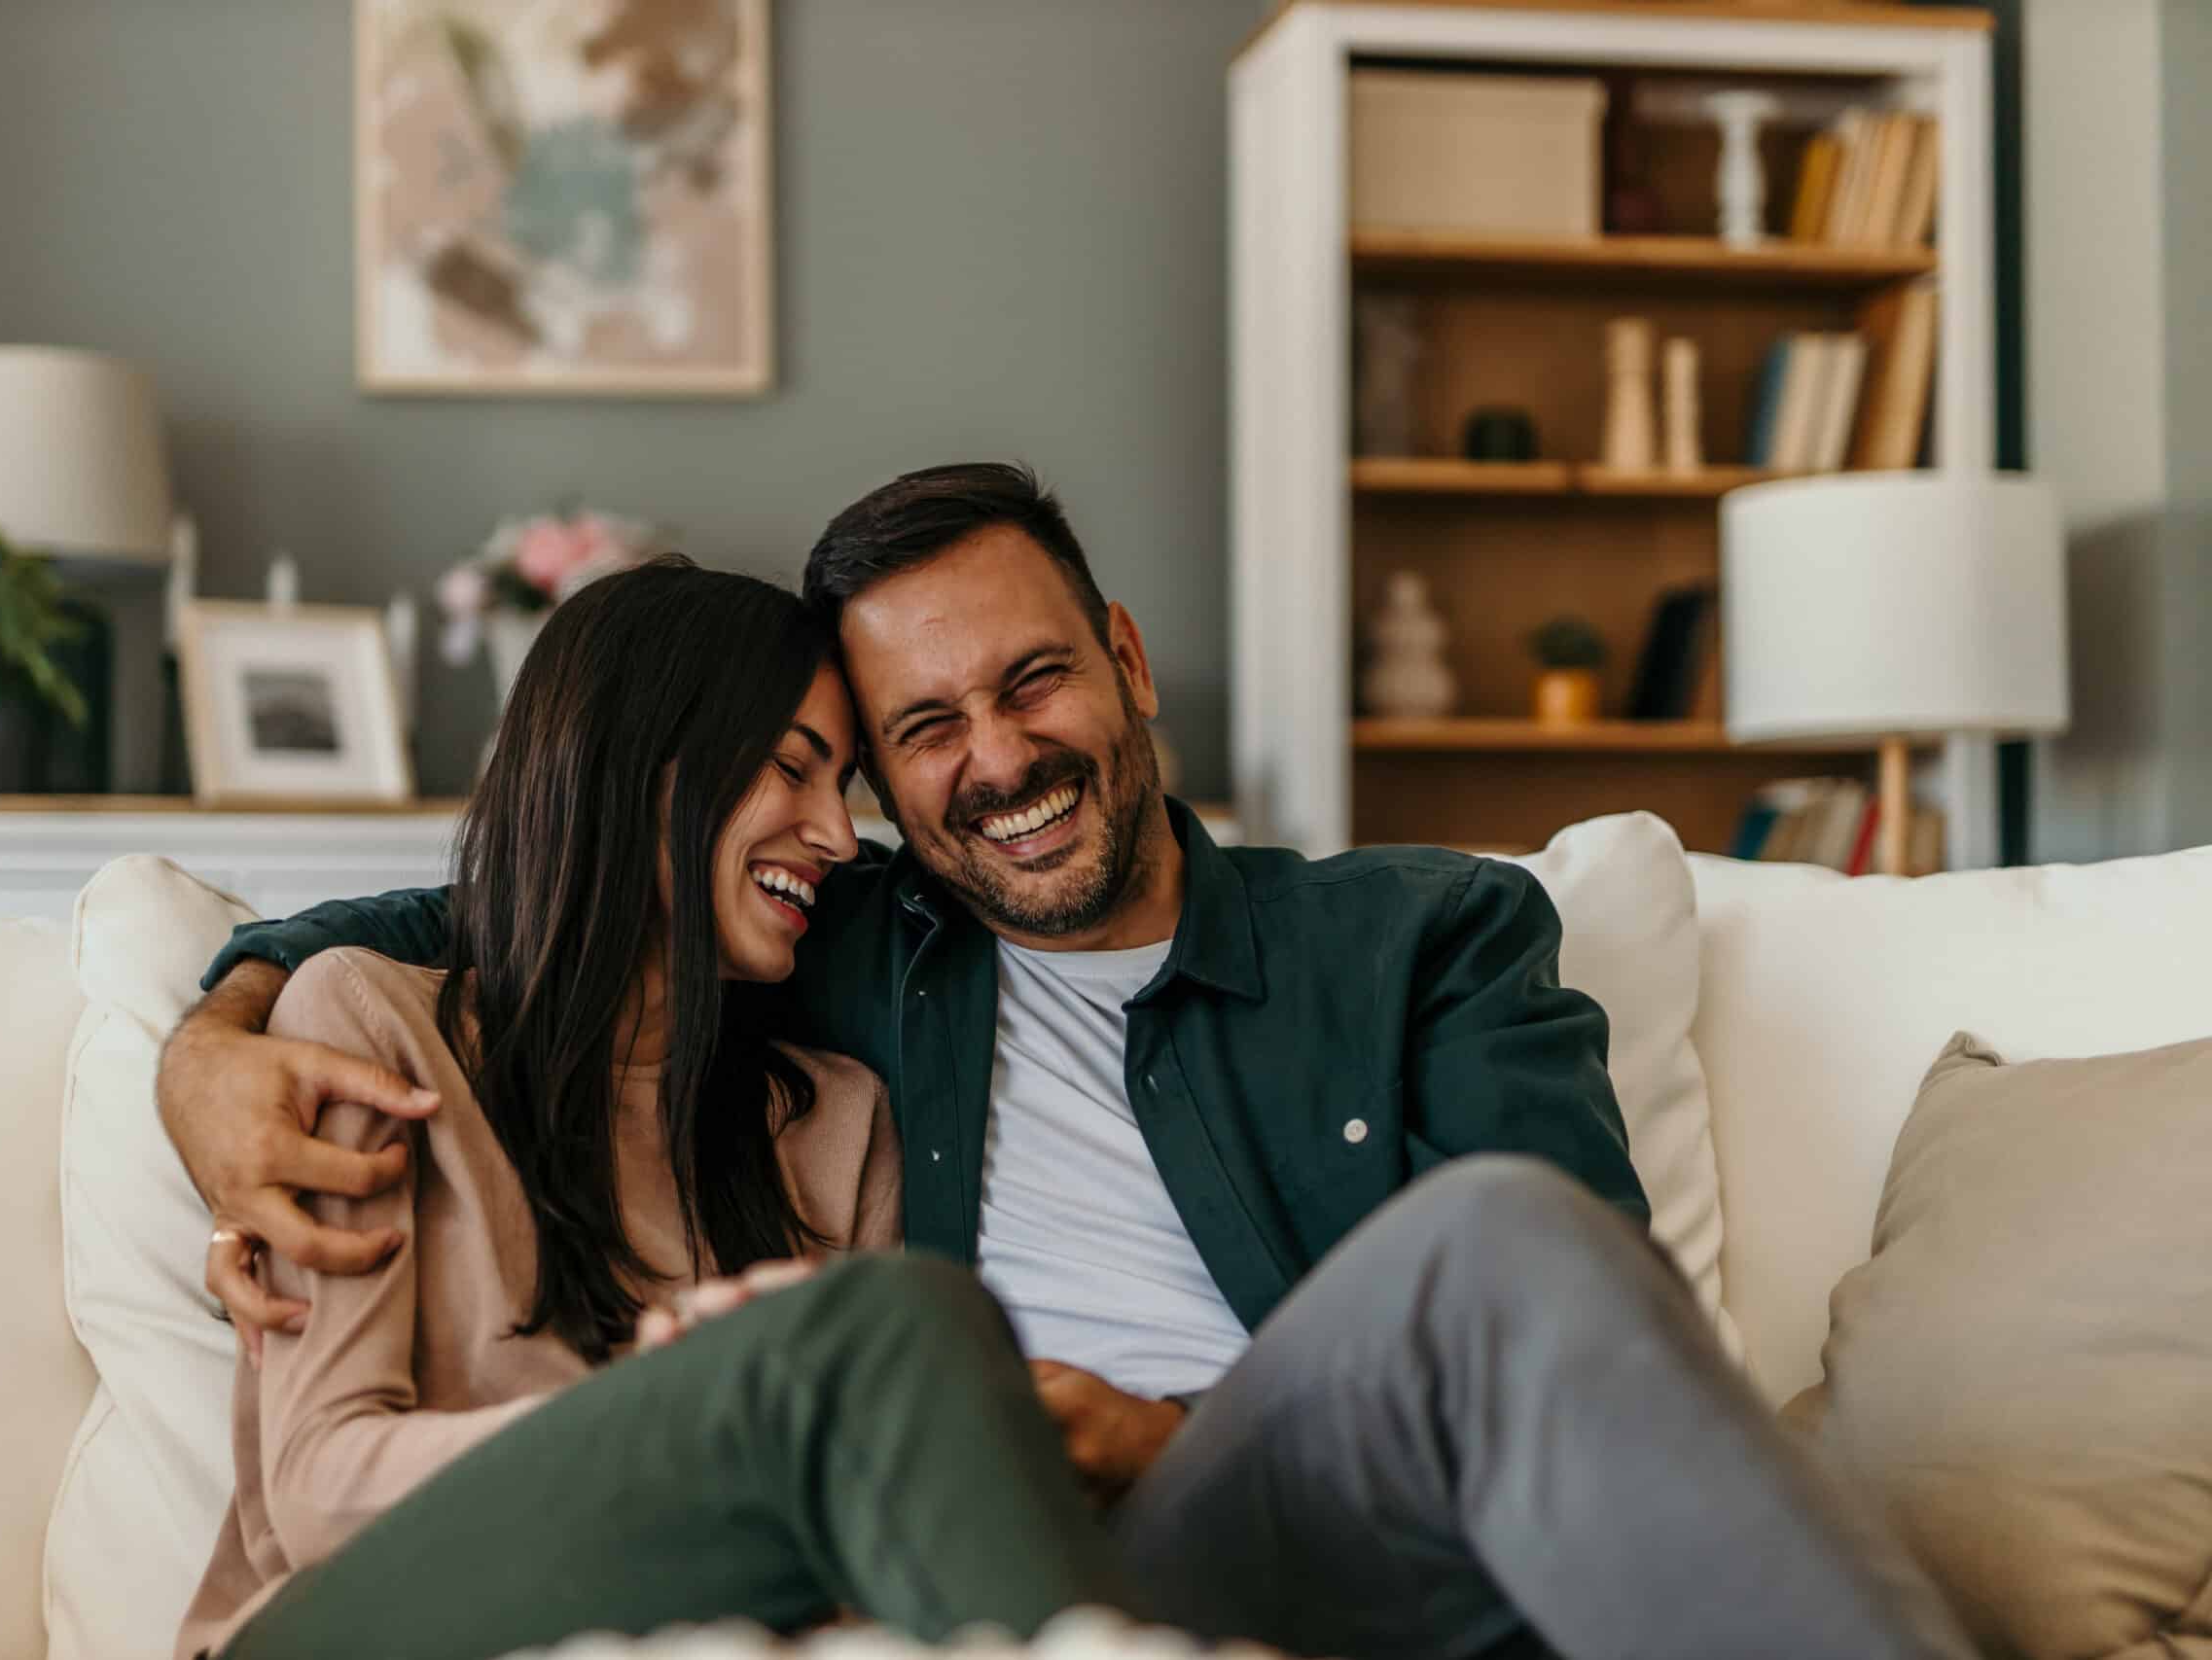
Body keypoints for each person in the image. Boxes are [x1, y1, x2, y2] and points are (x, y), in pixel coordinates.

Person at [160, 466, 1973, 1660]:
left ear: (1125, 661)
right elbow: (528, 906)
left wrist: (1167, 1428)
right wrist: (218, 1031)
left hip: (1284, 1505)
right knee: (903, 1343)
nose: (994, 759)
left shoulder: (1420, 935)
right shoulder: (841, 950)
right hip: (976, 1529)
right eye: (917, 732)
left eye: (1032, 682)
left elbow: (1589, 1349)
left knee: (1500, 1243)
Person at [173, 559, 1132, 1660]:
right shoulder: (372, 1025)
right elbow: (315, 1489)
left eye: (845, 787)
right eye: (789, 769)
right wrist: (692, 1414)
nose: (833, 835)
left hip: (678, 1627)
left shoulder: (836, 1123)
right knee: (903, 1321)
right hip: (344, 1623)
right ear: (637, 771)